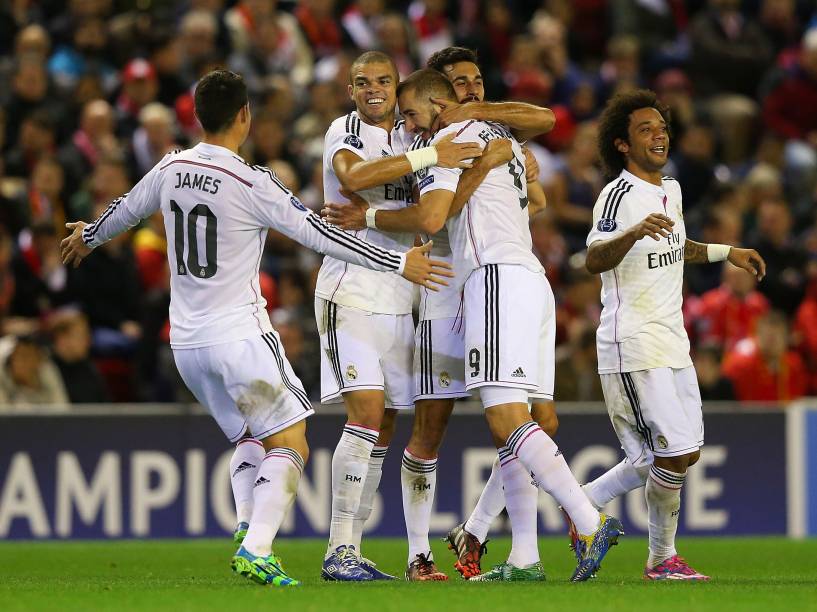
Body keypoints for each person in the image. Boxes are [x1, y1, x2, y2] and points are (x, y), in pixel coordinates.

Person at [60, 69, 452, 588]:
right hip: (239, 335)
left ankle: (249, 525)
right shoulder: (252, 181)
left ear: (197, 117)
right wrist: (399, 264)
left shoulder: (171, 167)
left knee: (249, 437)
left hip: (186, 343)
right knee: (292, 441)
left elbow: (124, 212)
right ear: (245, 115)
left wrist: (88, 236)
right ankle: (258, 545)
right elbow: (321, 235)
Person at [322, 46, 557, 581]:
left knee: (532, 419)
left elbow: (537, 197)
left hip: (474, 276)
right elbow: (428, 214)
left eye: (476, 83)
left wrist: (503, 155)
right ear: (434, 94)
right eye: (459, 85)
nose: (470, 92)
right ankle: (416, 555)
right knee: (426, 427)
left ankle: (477, 530)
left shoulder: (472, 133)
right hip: (436, 288)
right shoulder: (416, 137)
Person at [405, 68, 623, 583]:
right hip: (531, 279)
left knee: (506, 420)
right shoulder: (502, 135)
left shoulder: (449, 138)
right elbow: (538, 200)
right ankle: (523, 554)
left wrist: (471, 168)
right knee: (527, 421)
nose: (408, 124)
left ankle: (589, 522)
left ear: (435, 106)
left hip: (494, 279)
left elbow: (436, 216)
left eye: (412, 113)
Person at [580, 89, 766, 580]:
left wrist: (728, 252)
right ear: (622, 144)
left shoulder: (673, 189)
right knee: (671, 453)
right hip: (633, 342)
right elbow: (592, 258)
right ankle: (661, 559)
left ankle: (581, 505)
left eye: (661, 127)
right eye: (646, 129)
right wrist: (633, 233)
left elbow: (678, 246)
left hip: (672, 341)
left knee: (680, 452)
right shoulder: (617, 196)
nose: (659, 134)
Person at [314, 50, 481, 583]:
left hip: (401, 297)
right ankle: (337, 548)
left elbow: (429, 211)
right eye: (361, 82)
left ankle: (353, 549)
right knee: (364, 413)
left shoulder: (412, 136)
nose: (373, 91)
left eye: (383, 81)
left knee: (382, 426)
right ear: (350, 89)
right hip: (350, 289)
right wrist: (432, 157)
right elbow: (353, 178)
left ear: (397, 86)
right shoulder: (344, 131)